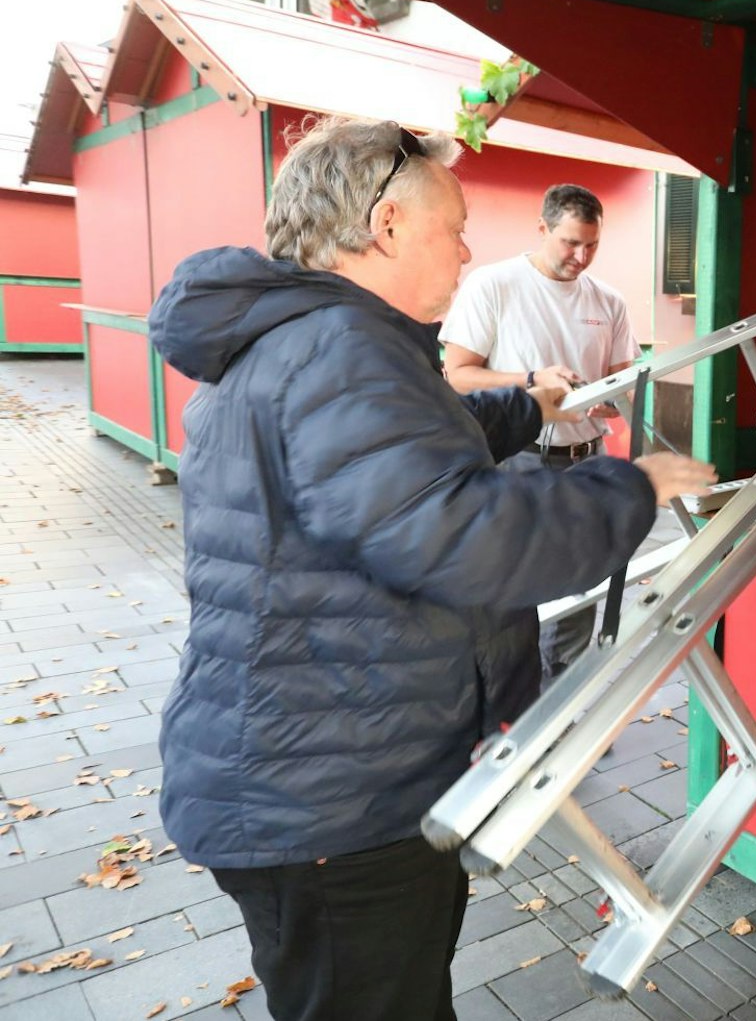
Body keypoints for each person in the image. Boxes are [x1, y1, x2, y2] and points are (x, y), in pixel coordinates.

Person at [146, 117, 714, 1021]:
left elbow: (406, 453)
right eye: (454, 227)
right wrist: (629, 489)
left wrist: (526, 407)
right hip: (334, 802)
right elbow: (458, 536)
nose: (465, 248)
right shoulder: (339, 349)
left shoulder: (321, 342)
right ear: (387, 225)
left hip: (334, 770)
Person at [441, 183, 636, 682]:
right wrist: (531, 381)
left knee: (580, 586)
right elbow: (457, 375)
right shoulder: (494, 284)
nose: (581, 257)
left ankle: (562, 699)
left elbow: (624, 382)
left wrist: (613, 398)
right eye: (570, 242)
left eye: (592, 245)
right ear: (542, 228)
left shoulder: (608, 300)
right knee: (514, 589)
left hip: (588, 459)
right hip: (516, 458)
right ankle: (511, 698)